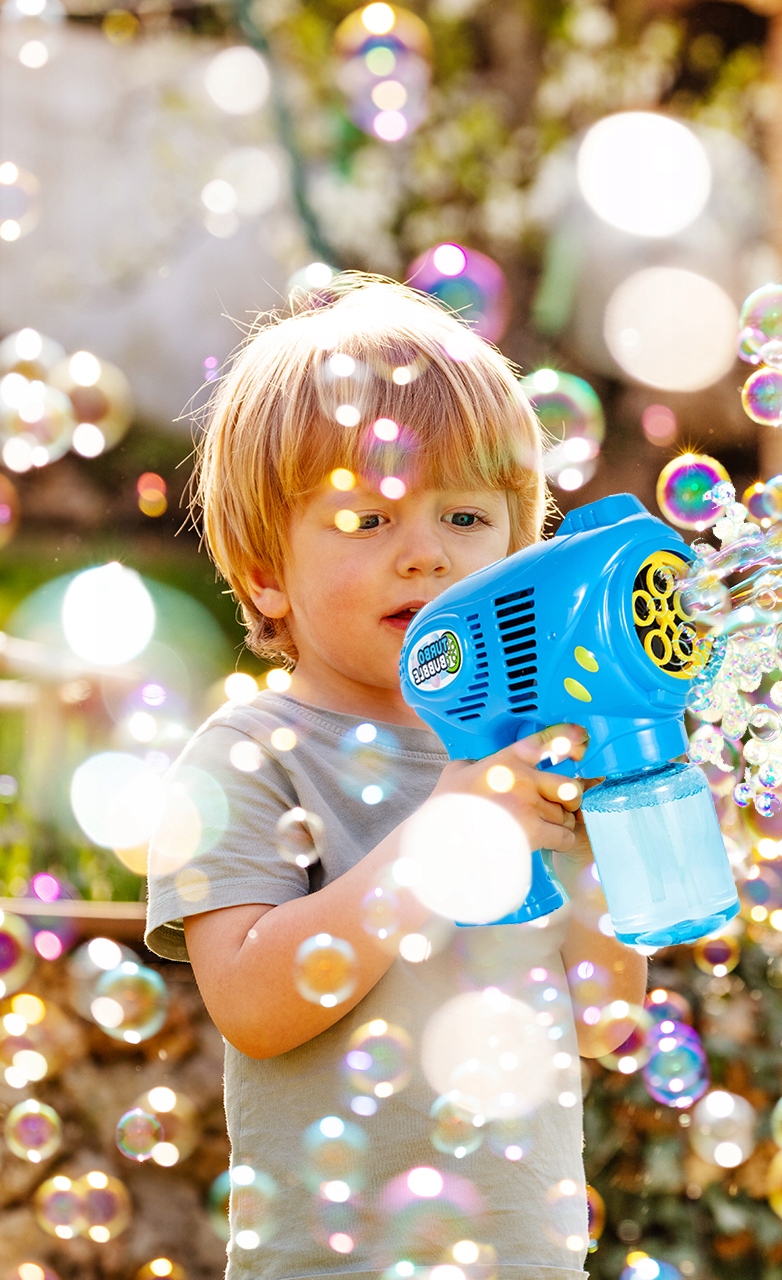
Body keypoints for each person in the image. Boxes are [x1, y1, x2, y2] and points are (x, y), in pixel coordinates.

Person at [145, 274, 645, 1280]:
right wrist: (439, 842)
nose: (425, 556)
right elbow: (249, 999)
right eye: (367, 520)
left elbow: (607, 1019)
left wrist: (617, 820)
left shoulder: (528, 755)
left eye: (465, 517)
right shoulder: (252, 755)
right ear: (263, 571)